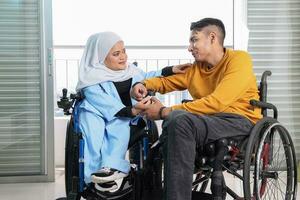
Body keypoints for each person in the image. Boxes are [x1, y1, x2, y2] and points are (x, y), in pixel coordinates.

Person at [131, 18, 262, 200]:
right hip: (208, 122)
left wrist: (163, 112)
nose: (190, 47)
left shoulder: (239, 60)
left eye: (194, 40)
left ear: (212, 38)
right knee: (174, 125)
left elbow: (217, 103)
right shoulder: (196, 69)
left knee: (178, 119)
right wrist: (142, 84)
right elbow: (165, 82)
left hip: (239, 122)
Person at [75, 31, 191, 192]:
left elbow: (148, 77)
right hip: (98, 114)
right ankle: (92, 176)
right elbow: (102, 102)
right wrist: (131, 110)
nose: (123, 57)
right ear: (100, 57)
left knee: (120, 126)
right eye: (116, 54)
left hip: (126, 116)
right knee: (93, 132)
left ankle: (112, 168)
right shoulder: (91, 79)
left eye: (123, 51)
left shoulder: (131, 71)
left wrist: (171, 69)